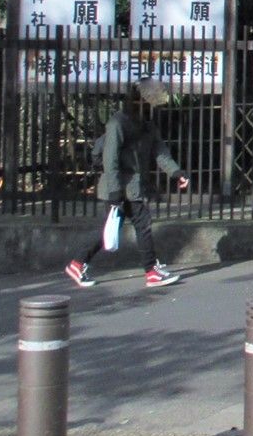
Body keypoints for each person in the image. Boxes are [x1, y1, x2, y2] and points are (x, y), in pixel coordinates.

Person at [65, 78, 190, 288]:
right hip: (120, 186)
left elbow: (160, 151)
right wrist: (114, 191)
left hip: (131, 186)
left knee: (111, 227)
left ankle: (78, 263)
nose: (152, 105)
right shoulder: (118, 123)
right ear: (139, 100)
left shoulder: (147, 124)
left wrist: (176, 172)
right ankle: (151, 271)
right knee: (142, 224)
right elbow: (110, 158)